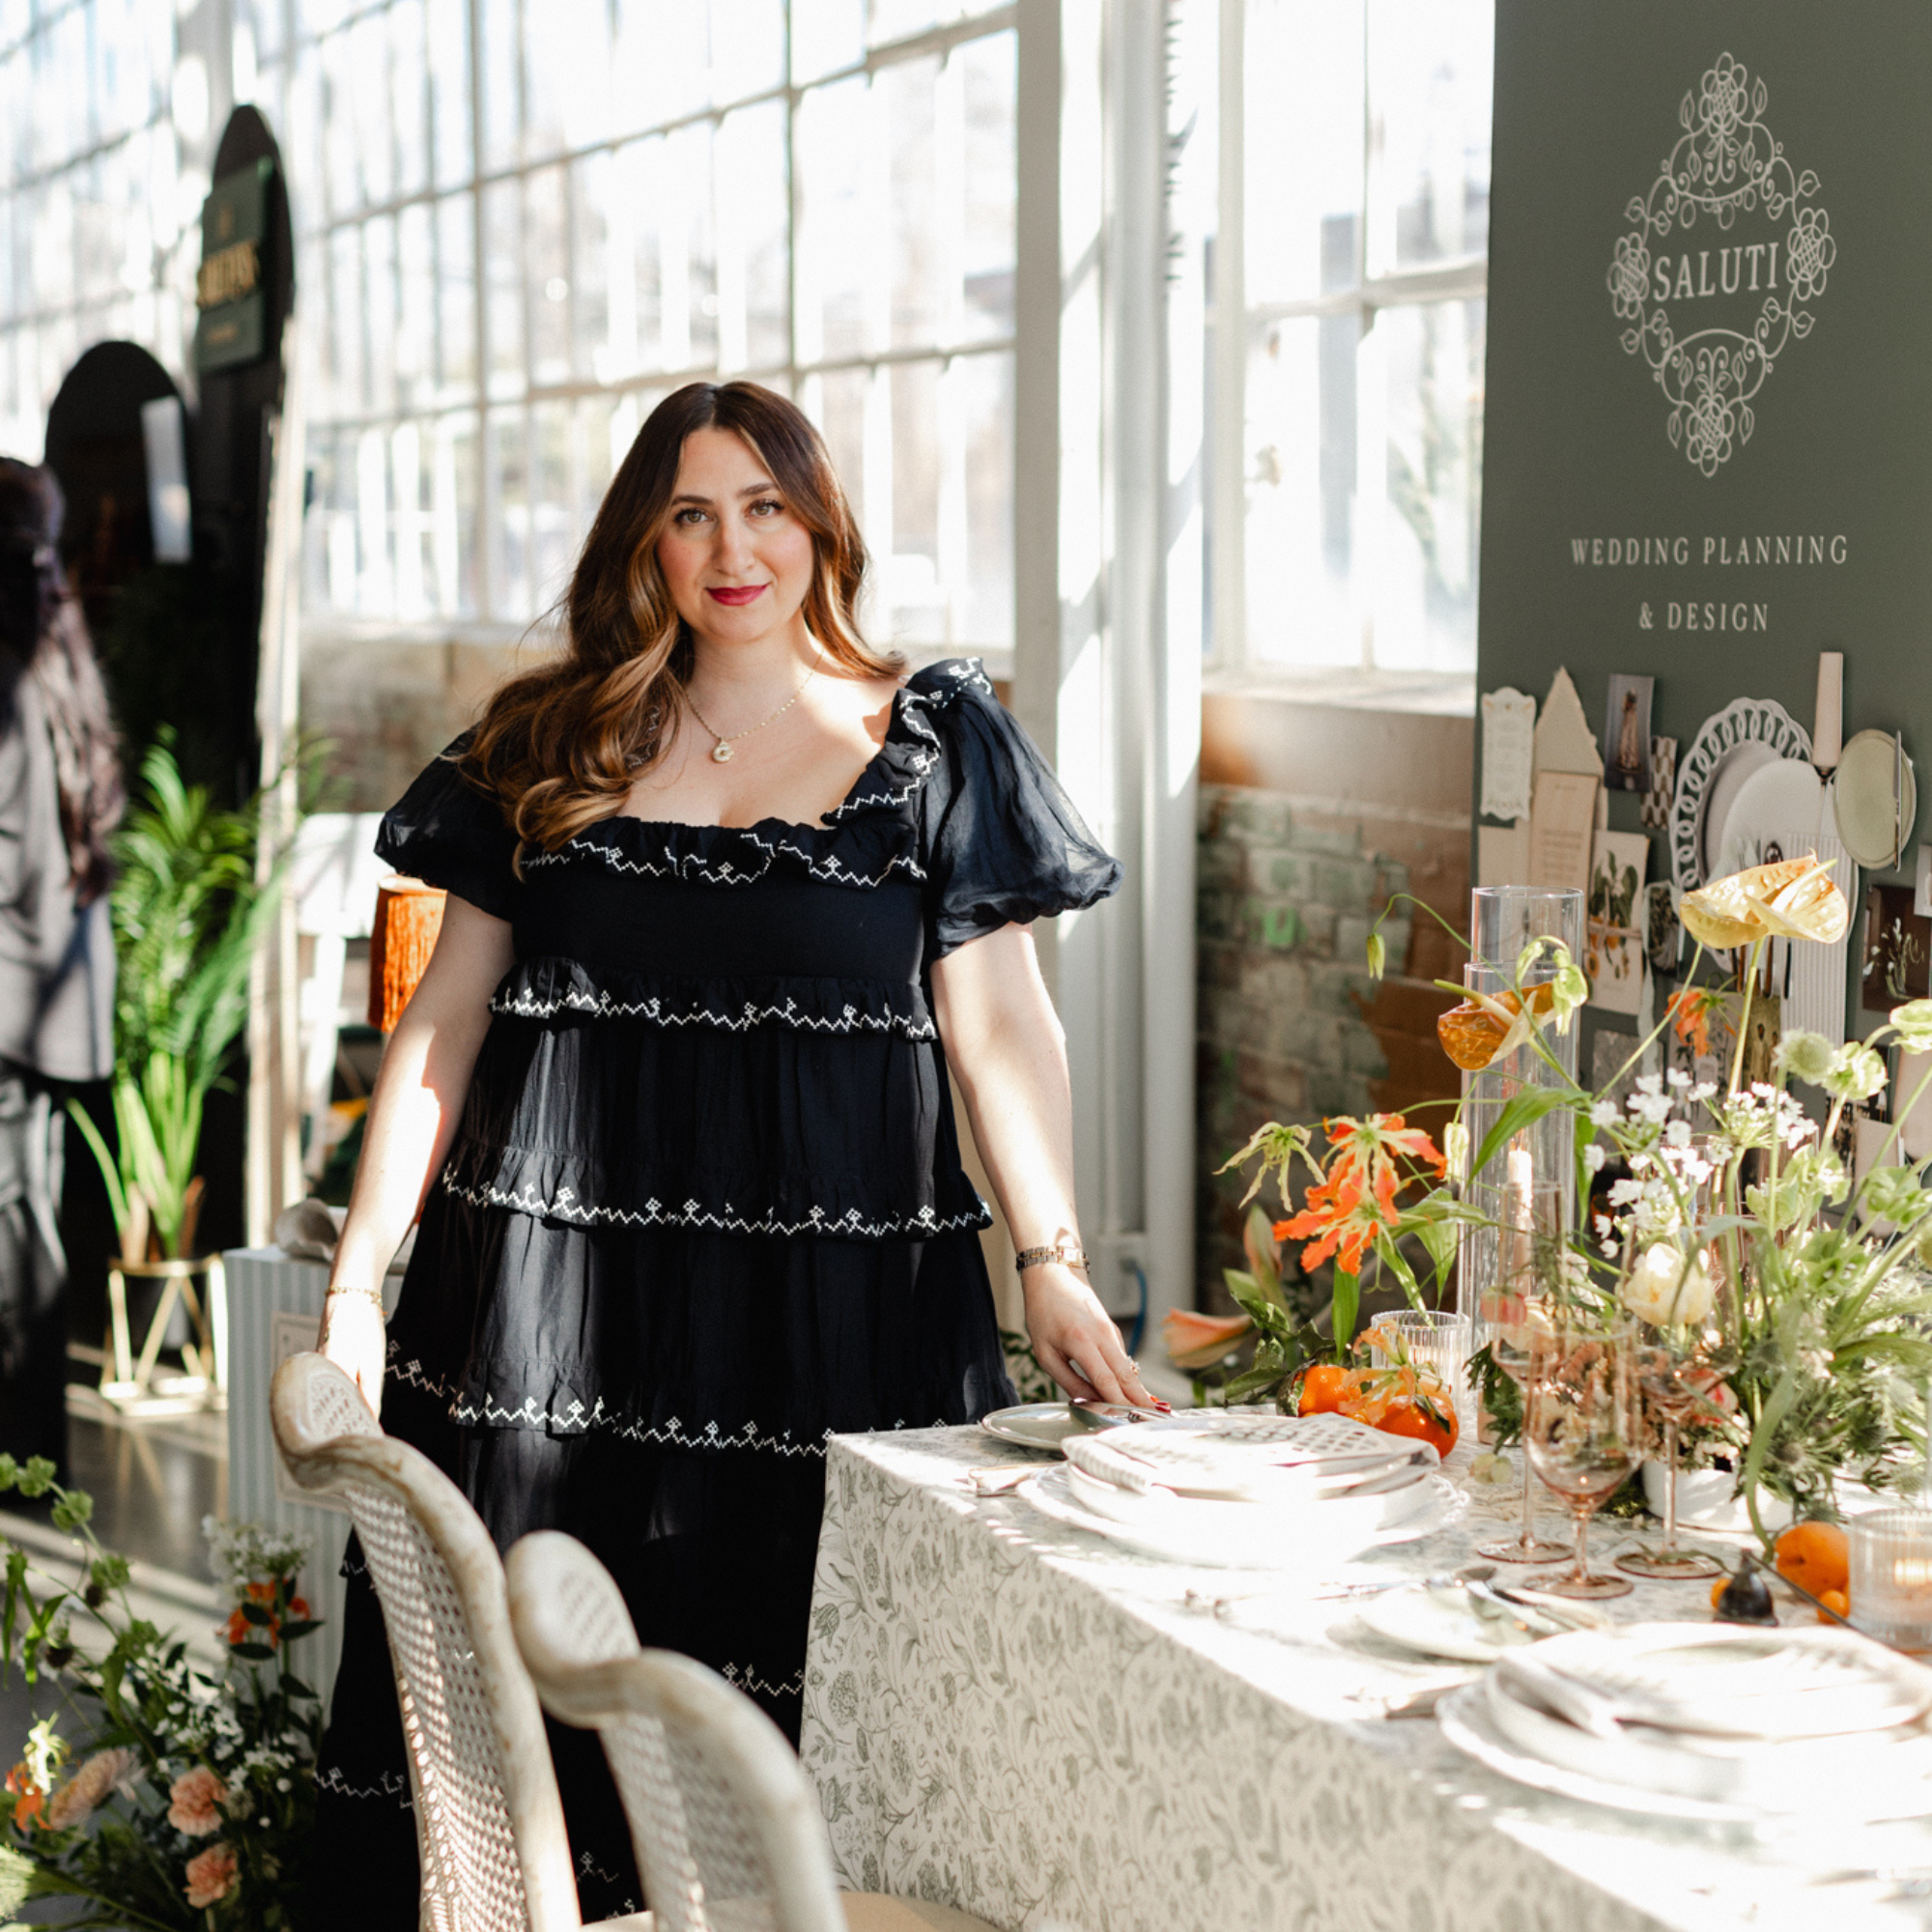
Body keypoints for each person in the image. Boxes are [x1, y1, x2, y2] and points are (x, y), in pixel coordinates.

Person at [310, 381, 1148, 1922]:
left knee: (824, 1719)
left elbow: (1005, 1032)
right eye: (691, 513)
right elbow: (442, 1023)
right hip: (549, 1322)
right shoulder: (545, 742)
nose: (732, 547)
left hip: (831, 1333)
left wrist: (1053, 1263)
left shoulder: (932, 743)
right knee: (536, 1734)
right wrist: (359, 1283)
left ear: (821, 525)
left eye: (765, 506)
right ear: (648, 540)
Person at [0, 459, 121, 1480]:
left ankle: (27, 1449)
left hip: (9, 996)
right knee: (24, 1208)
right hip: (43, 998)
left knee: (14, 1220)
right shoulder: (55, 654)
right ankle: (35, 1449)